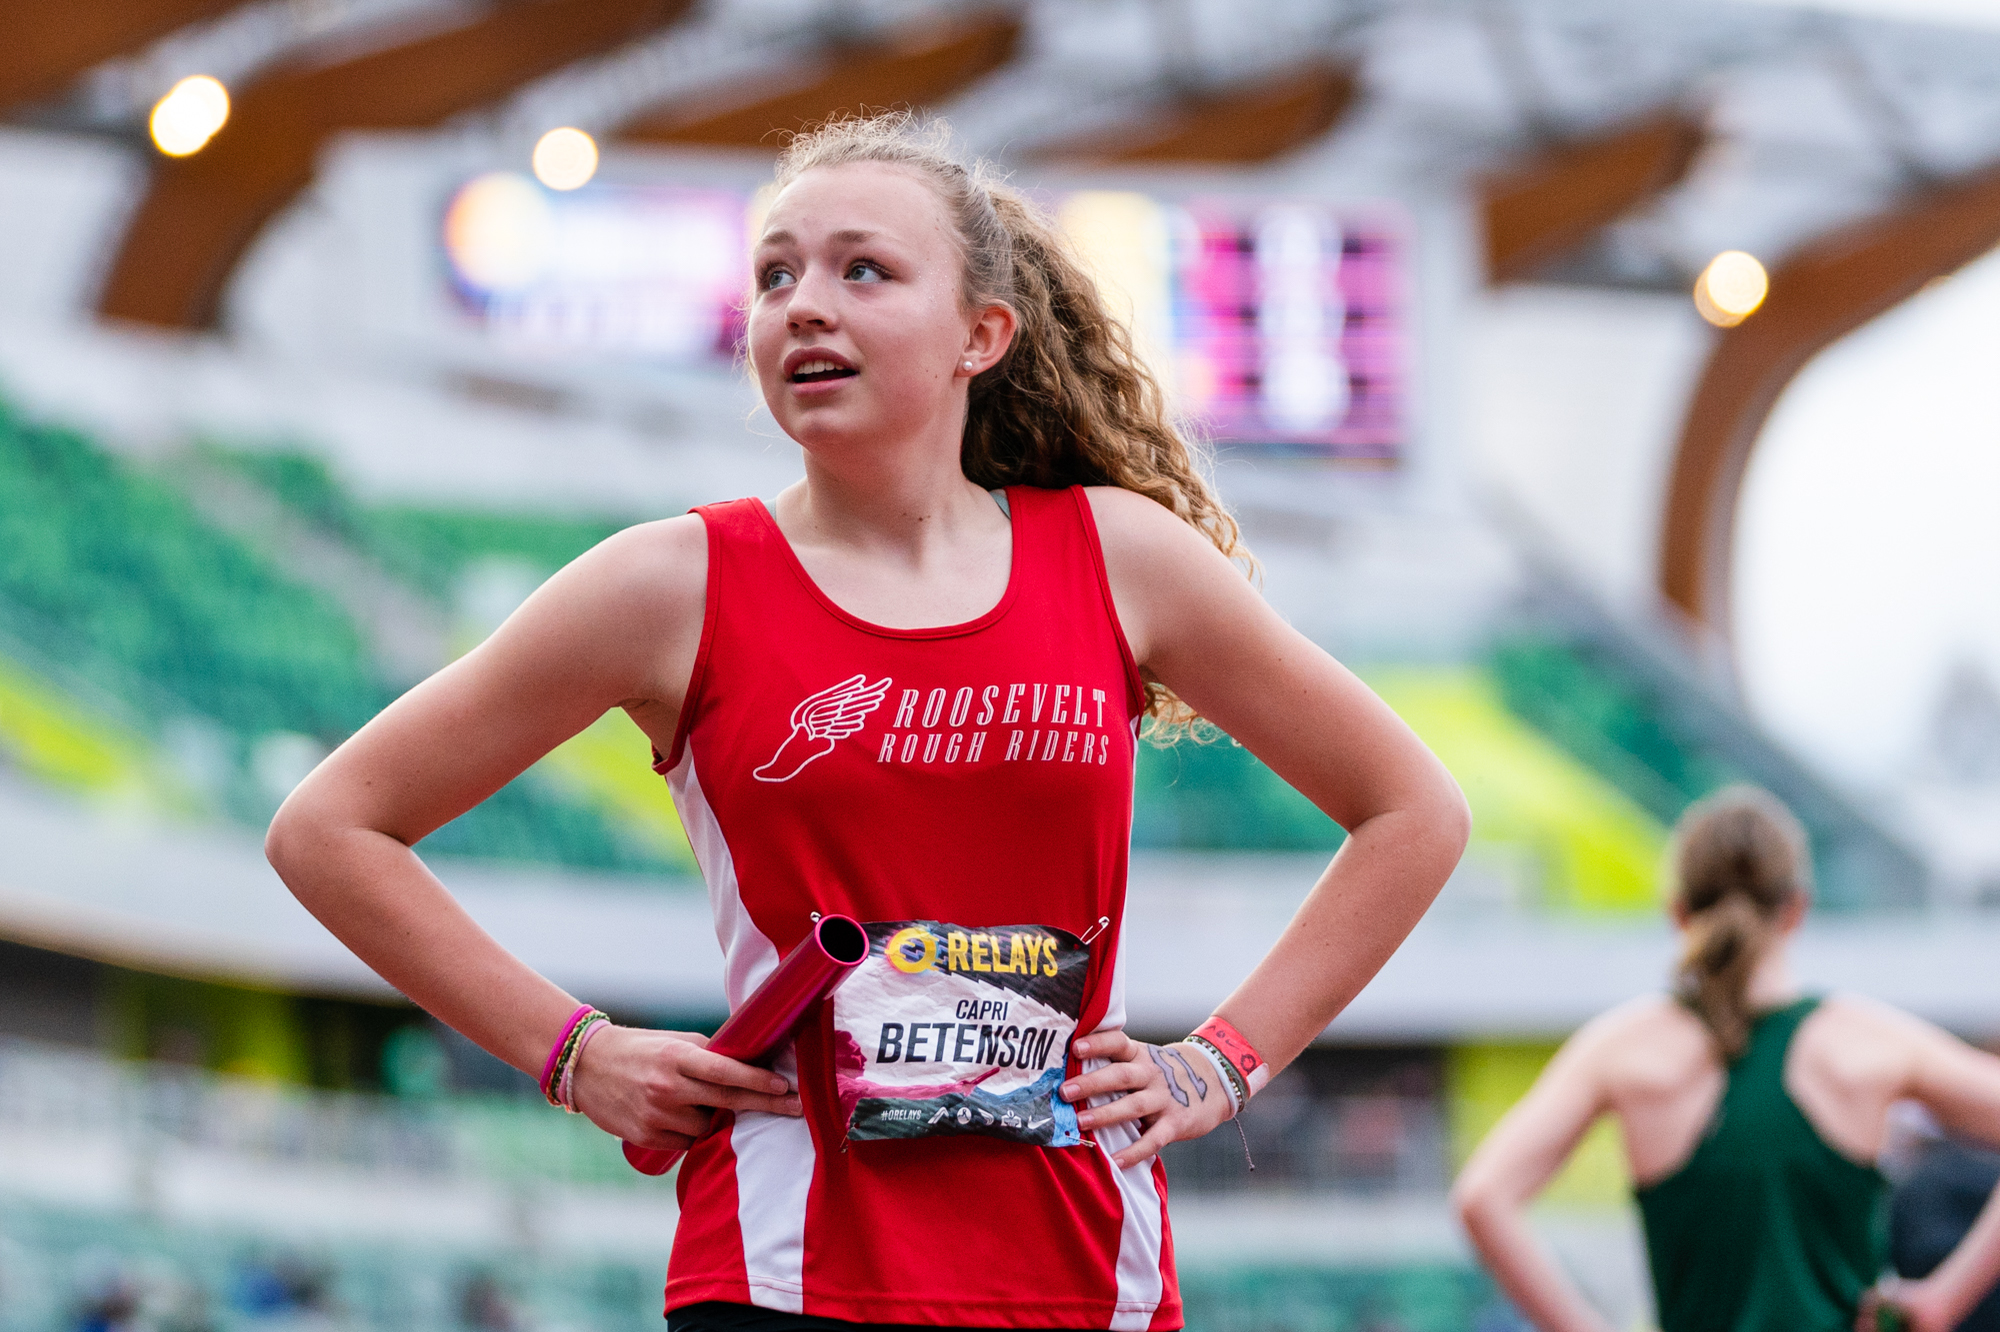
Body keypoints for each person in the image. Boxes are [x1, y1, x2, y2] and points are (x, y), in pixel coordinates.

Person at [265, 112, 1469, 1331]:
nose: (802, 305)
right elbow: (331, 827)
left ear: (980, 335)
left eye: (863, 270)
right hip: (784, 1273)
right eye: (774, 275)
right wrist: (574, 1053)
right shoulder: (669, 584)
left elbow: (1411, 809)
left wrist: (1219, 1059)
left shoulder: (1120, 559)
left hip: (1084, 1270)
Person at [1451, 786, 2000, 1332]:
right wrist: (1945, 1299)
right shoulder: (1867, 1041)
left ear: (1679, 911)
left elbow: (1482, 1199)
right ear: (1796, 909)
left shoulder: (1623, 1049)